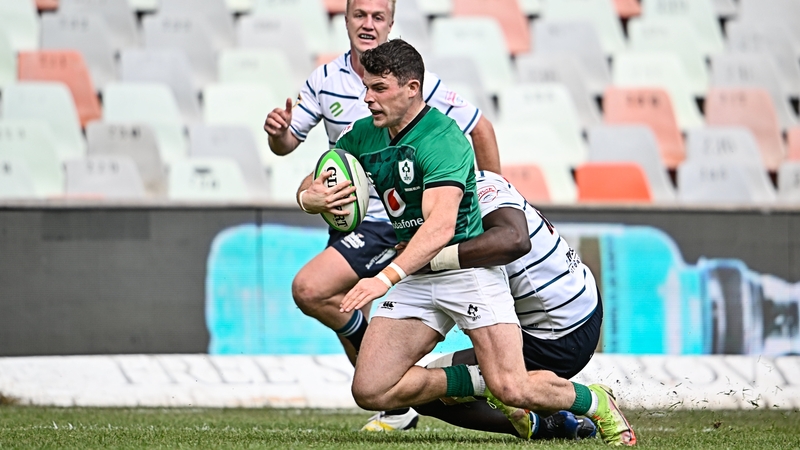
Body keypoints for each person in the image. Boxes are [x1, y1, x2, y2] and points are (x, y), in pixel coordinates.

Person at [335, 39, 635, 446]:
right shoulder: (391, 152)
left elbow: (512, 241)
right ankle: (535, 419)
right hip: (503, 303)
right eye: (365, 87)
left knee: (508, 386)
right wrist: (311, 198)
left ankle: (590, 401)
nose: (367, 98)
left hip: (563, 326)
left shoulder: (480, 185)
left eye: (378, 88)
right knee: (386, 388)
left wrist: (408, 267)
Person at [263, 0, 499, 430]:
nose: (368, 24)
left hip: (399, 224)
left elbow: (479, 128)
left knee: (311, 288)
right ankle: (395, 393)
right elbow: (293, 151)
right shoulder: (326, 82)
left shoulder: (418, 86)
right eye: (360, 15)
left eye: (378, 16)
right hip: (358, 217)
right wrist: (305, 190)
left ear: (391, 23)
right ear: (345, 19)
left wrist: (494, 196)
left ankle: (486, 387)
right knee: (341, 322)